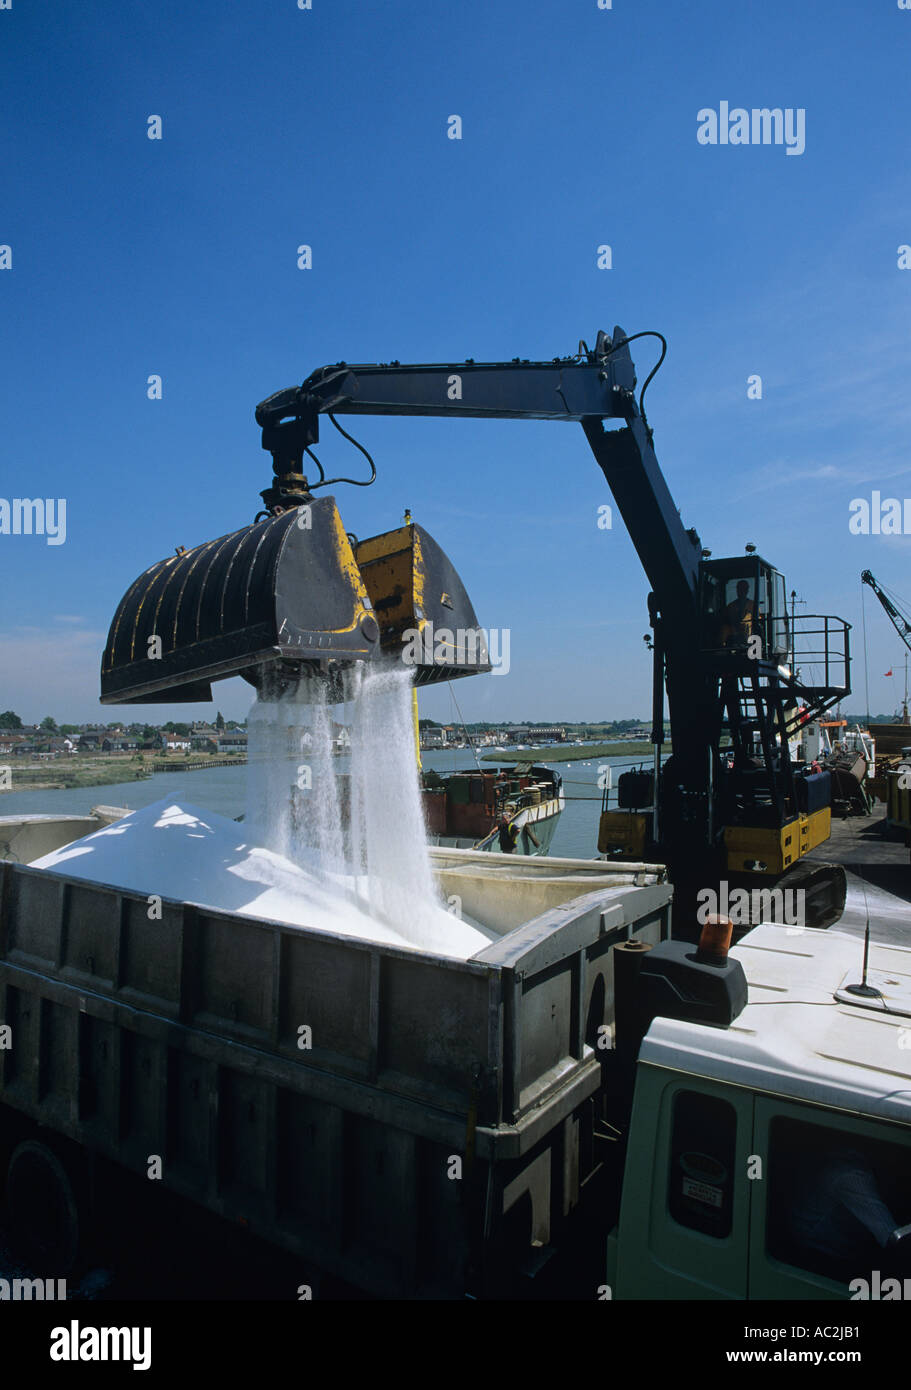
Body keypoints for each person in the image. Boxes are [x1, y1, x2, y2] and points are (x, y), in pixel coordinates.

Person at [721, 580, 757, 647]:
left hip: (748, 635)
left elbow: (757, 622)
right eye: (740, 589)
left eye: (744, 588)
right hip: (732, 634)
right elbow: (725, 619)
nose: (742, 591)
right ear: (737, 590)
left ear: (747, 590)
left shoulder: (753, 605)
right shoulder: (731, 606)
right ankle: (722, 648)